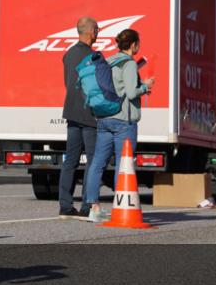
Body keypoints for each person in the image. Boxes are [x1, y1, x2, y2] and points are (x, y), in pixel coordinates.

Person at [82, 28, 155, 222]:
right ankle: (120, 206)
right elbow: (131, 93)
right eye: (138, 43)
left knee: (97, 163)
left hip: (104, 118)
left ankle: (94, 207)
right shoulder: (129, 64)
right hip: (124, 121)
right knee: (123, 166)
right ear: (133, 45)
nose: (139, 46)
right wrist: (145, 86)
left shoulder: (110, 61)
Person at [57, 17, 98, 220]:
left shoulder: (69, 54)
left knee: (70, 161)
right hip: (89, 114)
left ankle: (65, 204)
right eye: (96, 29)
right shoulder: (94, 56)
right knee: (92, 160)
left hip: (71, 112)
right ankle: (87, 204)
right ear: (91, 31)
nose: (97, 32)